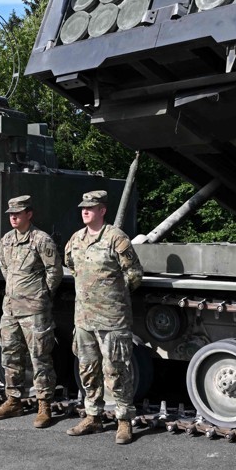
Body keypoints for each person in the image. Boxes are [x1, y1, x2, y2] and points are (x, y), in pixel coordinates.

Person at [64, 190, 143, 445]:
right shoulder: (76, 239)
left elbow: (134, 274)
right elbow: (71, 266)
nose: (85, 210)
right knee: (88, 370)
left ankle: (123, 420)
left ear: (102, 211)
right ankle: (93, 416)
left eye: (91, 207)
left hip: (111, 318)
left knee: (116, 371)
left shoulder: (116, 238)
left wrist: (113, 296)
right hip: (84, 318)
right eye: (83, 207)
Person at [0, 195, 63, 428]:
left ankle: (44, 405)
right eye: (10, 214)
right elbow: (4, 268)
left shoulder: (41, 240)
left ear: (29, 214)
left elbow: (55, 272)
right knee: (10, 355)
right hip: (10, 309)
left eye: (17, 214)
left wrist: (40, 294)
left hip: (34, 311)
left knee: (39, 357)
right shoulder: (7, 240)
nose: (13, 218)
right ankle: (14, 401)